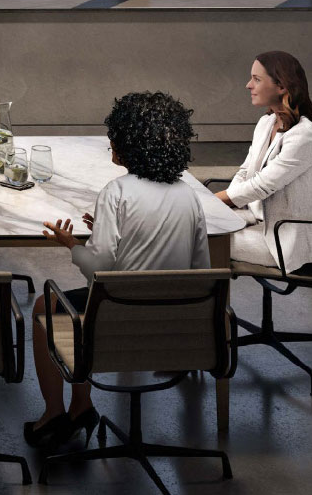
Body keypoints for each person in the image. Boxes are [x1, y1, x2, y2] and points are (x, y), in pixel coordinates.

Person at [26, 91, 210, 451]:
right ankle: (82, 407)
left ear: (130, 142)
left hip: (116, 326)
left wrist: (72, 245)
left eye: (116, 134)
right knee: (84, 307)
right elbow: (199, 272)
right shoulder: (188, 195)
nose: (110, 140)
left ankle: (53, 413)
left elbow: (98, 273)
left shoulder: (117, 192)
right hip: (171, 328)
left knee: (44, 309)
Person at [217, 52, 312, 272]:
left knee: (203, 241)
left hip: (281, 240)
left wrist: (212, 202)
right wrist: (221, 207)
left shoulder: (304, 135)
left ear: (282, 86)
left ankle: (208, 306)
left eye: (257, 79)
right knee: (196, 230)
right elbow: (245, 172)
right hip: (257, 221)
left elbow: (261, 186)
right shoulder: (266, 122)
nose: (248, 85)